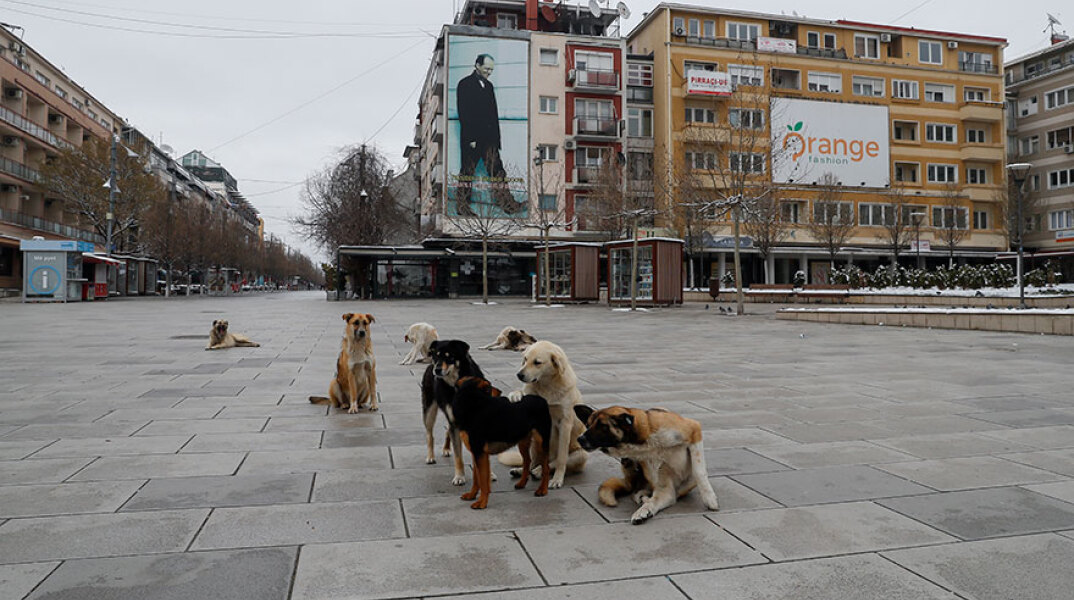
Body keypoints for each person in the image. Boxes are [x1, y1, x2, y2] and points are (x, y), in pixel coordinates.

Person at [455, 53, 521, 216]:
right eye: (486, 69)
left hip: (489, 139)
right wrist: (471, 138)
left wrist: (497, 139)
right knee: (467, 172)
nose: (489, 72)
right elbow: (464, 113)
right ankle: (462, 207)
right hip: (473, 139)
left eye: (491, 69)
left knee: (498, 171)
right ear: (477, 65)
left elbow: (493, 114)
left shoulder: (489, 86)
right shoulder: (464, 84)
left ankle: (507, 204)